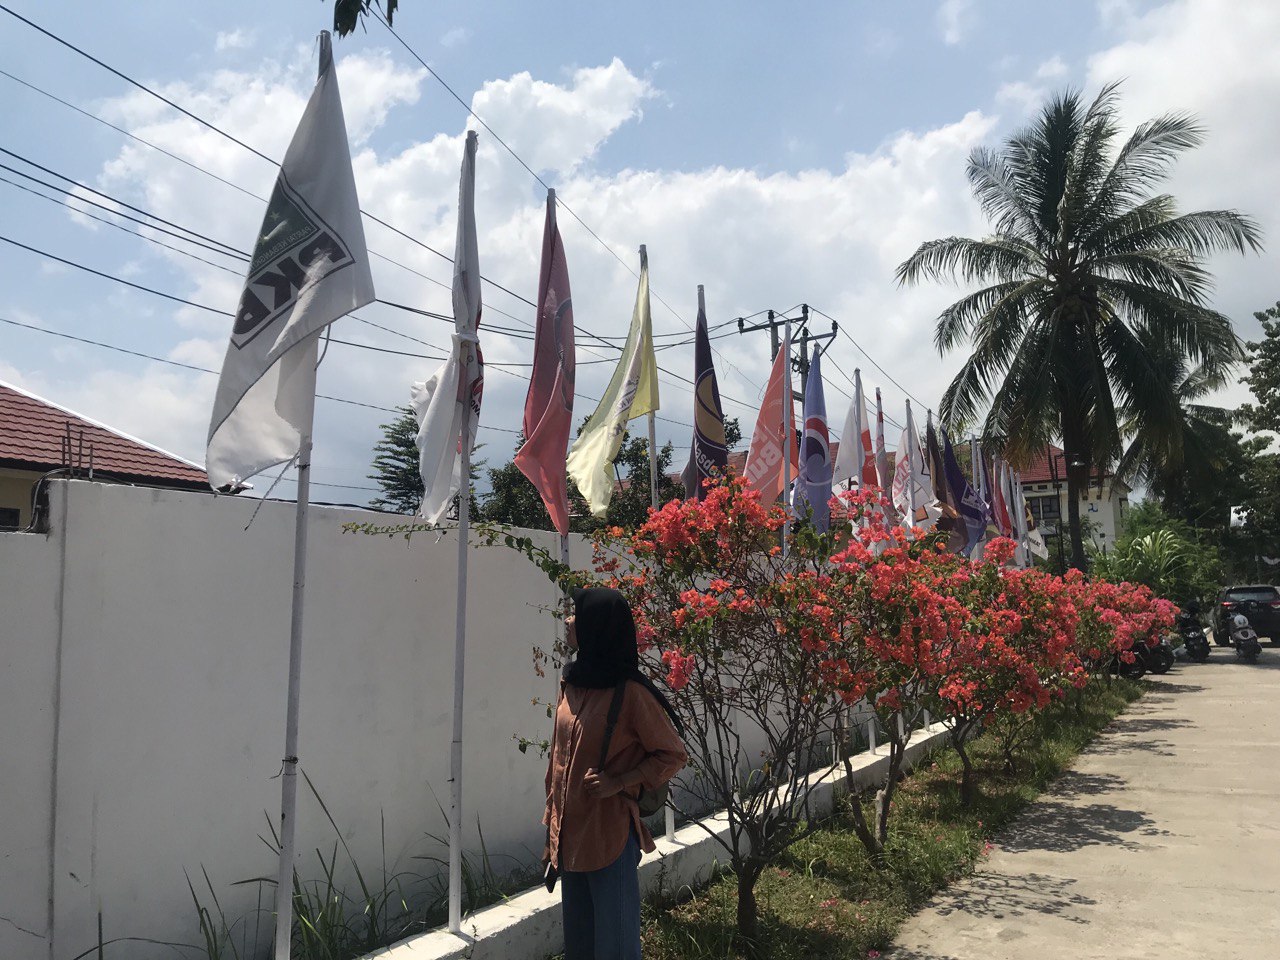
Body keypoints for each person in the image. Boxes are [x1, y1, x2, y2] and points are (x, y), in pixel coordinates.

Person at [543, 587, 687, 960]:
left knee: (616, 949)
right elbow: (558, 762)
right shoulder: (572, 682)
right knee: (580, 946)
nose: (569, 620)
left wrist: (619, 782)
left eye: (576, 614)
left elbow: (672, 754)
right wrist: (551, 829)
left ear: (597, 627)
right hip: (570, 836)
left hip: (608, 835)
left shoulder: (630, 693)